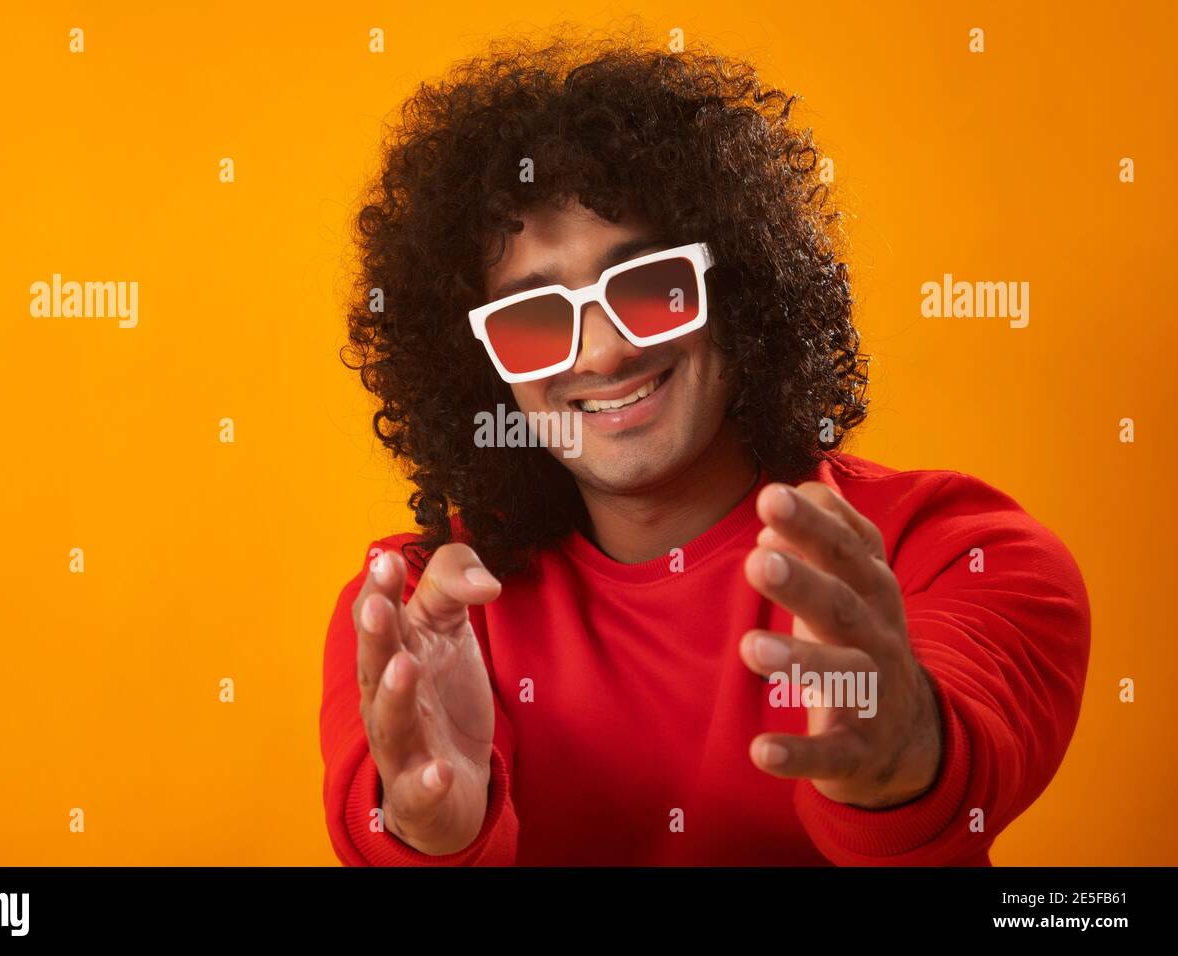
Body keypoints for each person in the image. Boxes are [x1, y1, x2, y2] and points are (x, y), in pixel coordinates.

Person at [318, 32, 1090, 865]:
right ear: (483, 366)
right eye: (533, 319)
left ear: (738, 291)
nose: (603, 352)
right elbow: (408, 809)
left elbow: (959, 744)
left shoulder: (956, 550)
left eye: (652, 286)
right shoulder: (423, 616)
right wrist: (431, 832)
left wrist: (899, 751)